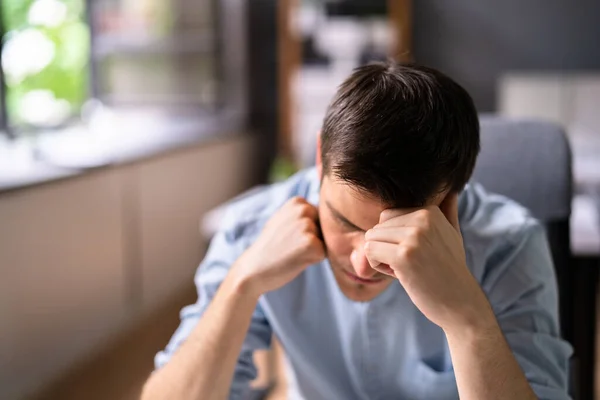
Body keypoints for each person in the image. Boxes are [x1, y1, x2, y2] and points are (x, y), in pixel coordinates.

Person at [141, 62, 572, 400]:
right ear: (319, 157)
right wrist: (241, 284)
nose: (363, 263)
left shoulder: (510, 245)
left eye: (399, 233)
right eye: (345, 222)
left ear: (451, 197)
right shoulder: (249, 229)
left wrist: (467, 320)